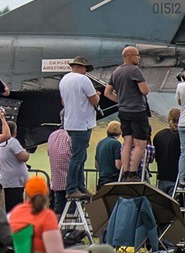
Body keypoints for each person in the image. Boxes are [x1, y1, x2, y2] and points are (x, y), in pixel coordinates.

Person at [103, 46, 151, 179]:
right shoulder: (135, 71)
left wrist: (121, 100)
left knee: (127, 141)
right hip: (138, 111)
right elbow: (145, 91)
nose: (139, 58)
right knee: (140, 144)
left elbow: (107, 92)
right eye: (137, 55)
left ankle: (125, 170)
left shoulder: (116, 72)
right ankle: (133, 172)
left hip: (123, 111)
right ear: (129, 56)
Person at [59, 55, 100, 198]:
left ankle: (80, 186)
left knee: (80, 156)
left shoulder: (64, 80)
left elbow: (64, 102)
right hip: (83, 123)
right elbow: (94, 100)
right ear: (82, 68)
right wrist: (98, 95)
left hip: (70, 123)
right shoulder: (84, 80)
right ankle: (72, 188)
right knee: (77, 158)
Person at [0, 120, 30, 212]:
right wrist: (27, 153)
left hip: (5, 181)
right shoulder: (12, 141)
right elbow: (23, 157)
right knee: (15, 210)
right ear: (14, 132)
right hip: (14, 183)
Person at [152, 108, 181, 195]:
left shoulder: (158, 135)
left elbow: (157, 157)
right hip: (176, 177)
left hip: (161, 175)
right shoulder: (182, 137)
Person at [46, 118, 71, 216]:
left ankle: (56, 229)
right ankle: (70, 230)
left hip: (56, 179)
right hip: (70, 180)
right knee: (71, 210)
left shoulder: (52, 135)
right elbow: (79, 157)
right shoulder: (71, 136)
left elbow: (49, 153)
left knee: (58, 209)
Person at [95, 120, 123, 188]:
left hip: (101, 180)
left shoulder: (100, 143)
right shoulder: (116, 144)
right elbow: (118, 165)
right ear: (120, 132)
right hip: (113, 180)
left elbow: (96, 166)